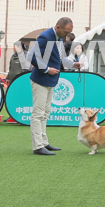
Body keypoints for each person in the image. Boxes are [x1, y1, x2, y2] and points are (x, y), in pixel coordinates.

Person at [29, 17, 76, 156]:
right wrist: (47, 69)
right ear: (58, 27)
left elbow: (60, 59)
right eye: (66, 32)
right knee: (38, 113)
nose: (67, 35)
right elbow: (32, 57)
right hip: (41, 80)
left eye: (69, 32)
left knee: (45, 112)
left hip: (50, 80)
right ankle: (38, 146)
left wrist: (74, 64)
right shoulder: (45, 37)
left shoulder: (58, 38)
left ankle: (44, 143)